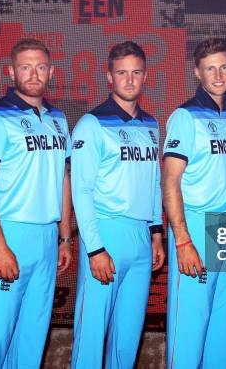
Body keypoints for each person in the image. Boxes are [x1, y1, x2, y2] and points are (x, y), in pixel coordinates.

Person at [0, 38, 73, 368]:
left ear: (51, 72)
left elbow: (63, 179)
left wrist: (65, 237)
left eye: (40, 67)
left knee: (31, 339)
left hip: (46, 239)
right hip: (8, 233)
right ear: (12, 71)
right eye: (26, 67)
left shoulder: (59, 119)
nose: (33, 74)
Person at [69, 41, 164, 368]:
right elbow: (81, 190)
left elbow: (154, 182)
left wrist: (156, 233)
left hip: (140, 238)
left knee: (127, 339)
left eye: (136, 73)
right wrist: (94, 248)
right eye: (122, 73)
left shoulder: (151, 124)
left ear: (145, 76)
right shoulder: (91, 124)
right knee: (92, 335)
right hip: (105, 233)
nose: (129, 80)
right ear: (109, 77)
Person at [163, 38, 226, 368]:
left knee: (221, 329)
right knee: (190, 330)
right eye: (210, 68)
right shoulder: (185, 116)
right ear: (198, 72)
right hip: (196, 225)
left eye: (224, 66)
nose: (218, 74)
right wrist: (182, 240)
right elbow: (169, 180)